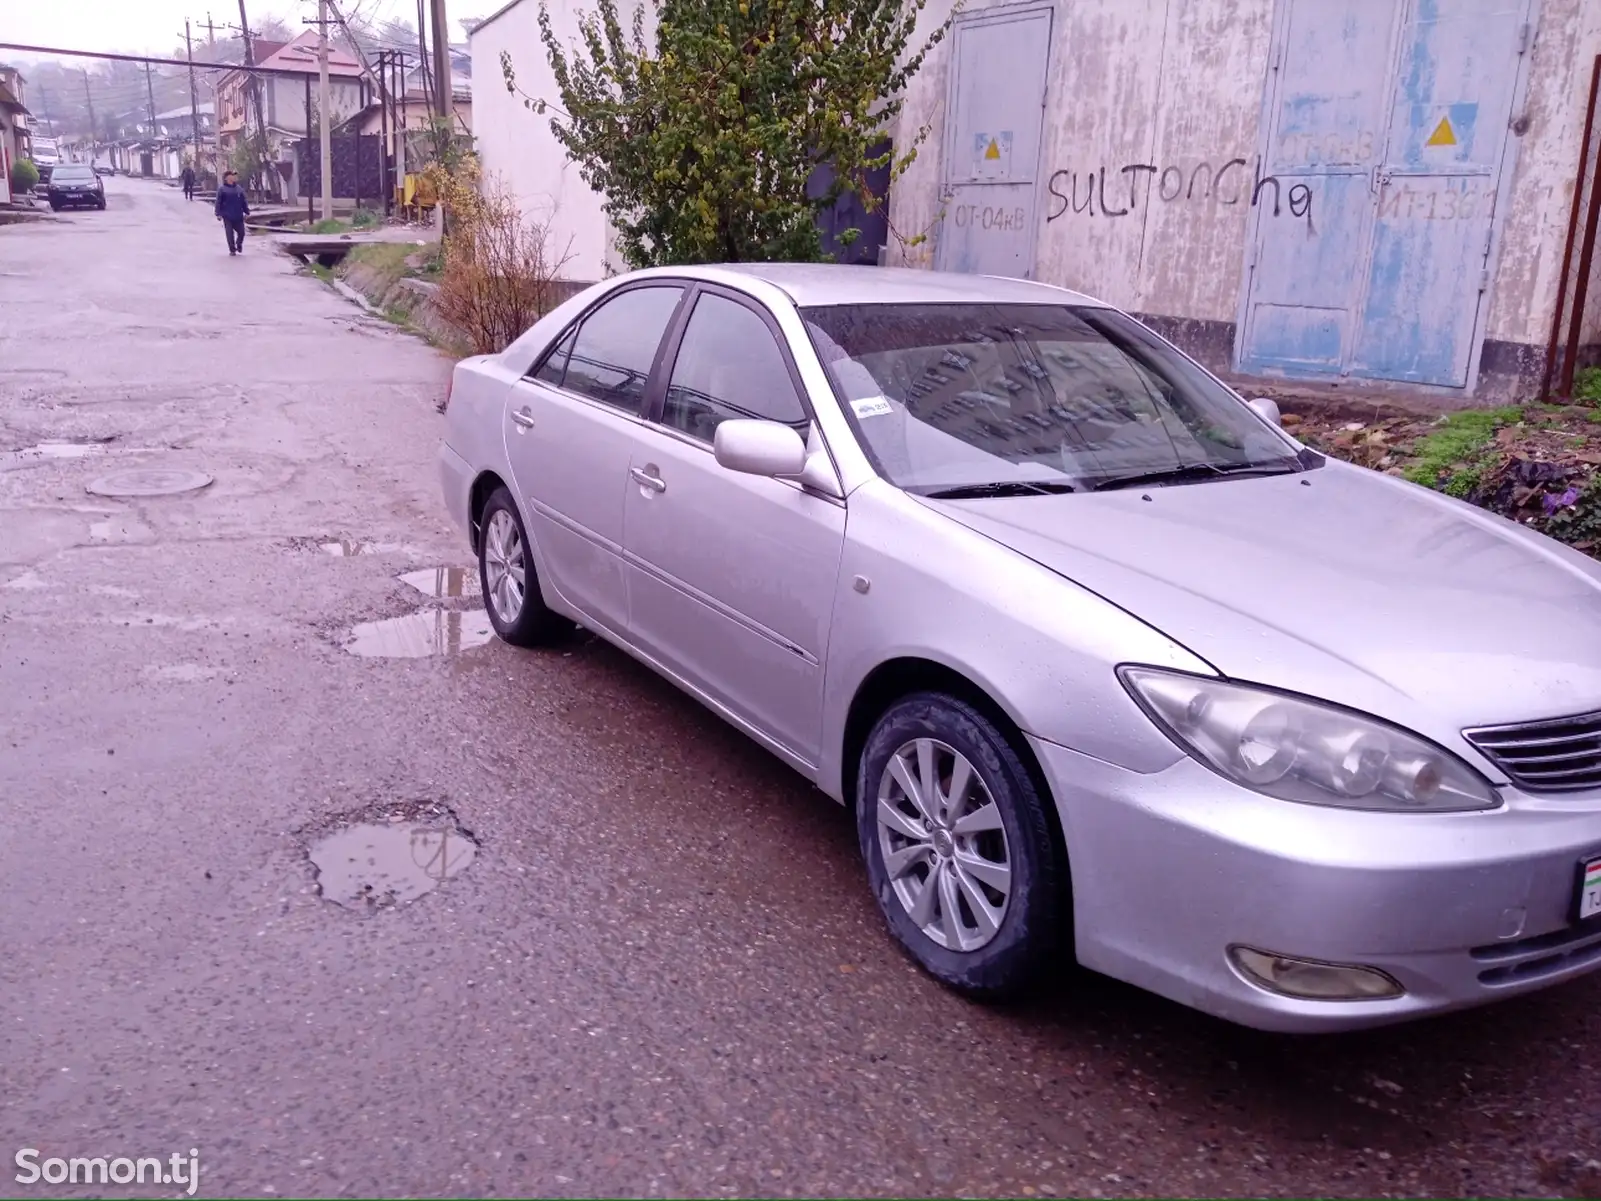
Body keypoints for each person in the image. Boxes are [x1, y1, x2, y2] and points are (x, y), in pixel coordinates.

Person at [214, 169, 250, 256]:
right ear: (227, 178)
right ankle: (232, 249)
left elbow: (243, 201)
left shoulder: (239, 189)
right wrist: (218, 213)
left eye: (234, 175)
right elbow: (218, 202)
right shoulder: (222, 189)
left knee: (242, 232)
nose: (234, 177)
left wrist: (247, 212)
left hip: (238, 215)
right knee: (229, 233)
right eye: (232, 175)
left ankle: (239, 244)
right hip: (227, 215)